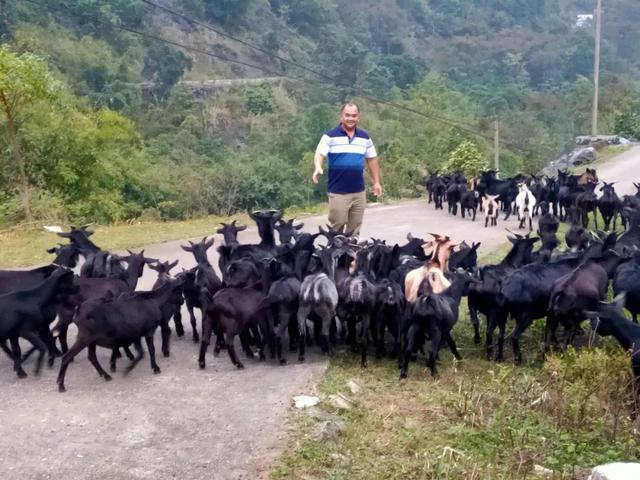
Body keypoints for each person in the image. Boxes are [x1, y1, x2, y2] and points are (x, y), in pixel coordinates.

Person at [312, 102, 382, 236]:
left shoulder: (364, 137)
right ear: (341, 117)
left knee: (354, 230)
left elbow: (372, 159)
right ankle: (335, 256)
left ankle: (351, 257)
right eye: (347, 115)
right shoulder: (330, 136)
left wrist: (376, 182)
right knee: (337, 228)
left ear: (358, 118)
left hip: (358, 192)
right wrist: (318, 167)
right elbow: (320, 153)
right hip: (338, 192)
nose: (350, 118)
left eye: (354, 115)